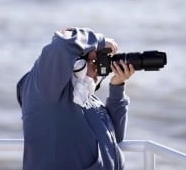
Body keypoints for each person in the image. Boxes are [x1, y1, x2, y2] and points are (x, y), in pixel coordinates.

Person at [16, 27, 135, 170]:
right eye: (94, 60)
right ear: (78, 62)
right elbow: (62, 44)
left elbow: (116, 138)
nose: (99, 67)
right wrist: (100, 41)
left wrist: (117, 86)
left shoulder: (86, 97)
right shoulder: (45, 88)